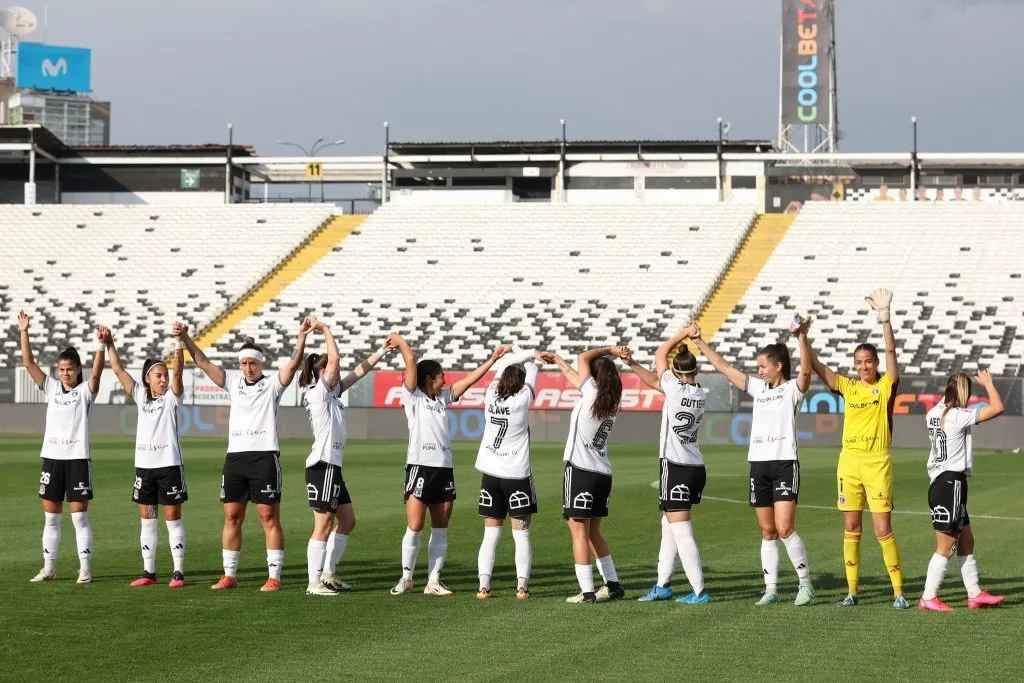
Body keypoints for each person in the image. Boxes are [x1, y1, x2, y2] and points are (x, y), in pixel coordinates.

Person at [177, 318, 312, 591]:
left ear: (260, 364)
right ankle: (229, 575)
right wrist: (186, 338)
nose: (248, 368)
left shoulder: (273, 384)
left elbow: (294, 364)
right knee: (232, 517)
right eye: (244, 363)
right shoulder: (232, 383)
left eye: (252, 363)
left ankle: (274, 577)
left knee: (268, 517)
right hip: (236, 458)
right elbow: (202, 362)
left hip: (264, 457)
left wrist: (301, 337)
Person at [691, 320, 815, 605]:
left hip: (784, 463)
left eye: (762, 366)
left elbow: (806, 370)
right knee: (767, 531)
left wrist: (802, 338)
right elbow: (724, 367)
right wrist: (700, 343)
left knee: (785, 527)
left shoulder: (793, 390)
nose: (759, 371)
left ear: (778, 366)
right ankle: (770, 589)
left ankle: (805, 584)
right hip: (758, 466)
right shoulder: (759, 389)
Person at [800, 288, 909, 608]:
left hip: (877, 463)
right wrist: (803, 338)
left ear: (875, 364)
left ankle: (899, 591)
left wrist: (885, 319)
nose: (864, 366)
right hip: (849, 462)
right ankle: (852, 591)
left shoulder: (887, 385)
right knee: (851, 525)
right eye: (859, 362)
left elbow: (891, 351)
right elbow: (817, 367)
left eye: (868, 361)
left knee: (882, 528)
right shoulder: (847, 387)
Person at [389, 335, 509, 597]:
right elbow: (410, 360)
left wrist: (492, 359)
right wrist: (399, 341)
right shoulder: (412, 397)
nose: (445, 380)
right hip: (420, 467)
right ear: (428, 379)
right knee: (416, 525)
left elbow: (470, 381)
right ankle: (407, 577)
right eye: (441, 375)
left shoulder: (442, 397)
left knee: (441, 526)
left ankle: (433, 580)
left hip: (444, 469)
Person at [299, 318, 395, 596]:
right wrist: (324, 329)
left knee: (348, 520)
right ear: (321, 373)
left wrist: (381, 351)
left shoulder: (331, 393)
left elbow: (358, 372)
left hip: (332, 467)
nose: (337, 372)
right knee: (323, 523)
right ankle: (313, 582)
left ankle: (328, 573)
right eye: (330, 369)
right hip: (323, 464)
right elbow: (337, 359)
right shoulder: (318, 393)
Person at [623, 325, 709, 604]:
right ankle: (663, 584)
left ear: (675, 371)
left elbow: (661, 353)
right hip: (694, 465)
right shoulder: (699, 392)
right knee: (668, 525)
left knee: (681, 529)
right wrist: (633, 364)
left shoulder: (672, 387)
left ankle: (699, 591)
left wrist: (683, 334)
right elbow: (655, 379)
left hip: (676, 465)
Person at [20, 310, 105, 584]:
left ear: (78, 369)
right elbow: (29, 362)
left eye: (70, 369)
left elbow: (98, 373)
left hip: (77, 459)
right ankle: (49, 568)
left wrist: (101, 346)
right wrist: (24, 331)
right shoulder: (52, 388)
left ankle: (85, 569)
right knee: (51, 518)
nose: (65, 374)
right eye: (62, 369)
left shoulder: (85, 392)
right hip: (53, 459)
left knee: (79, 518)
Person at [101, 325, 188, 588]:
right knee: (148, 519)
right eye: (159, 376)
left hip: (169, 466)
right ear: (147, 379)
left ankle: (178, 572)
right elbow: (117, 369)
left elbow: (179, 370)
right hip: (145, 469)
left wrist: (179, 342)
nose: (164, 379)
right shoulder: (140, 395)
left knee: (173, 519)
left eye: (165, 375)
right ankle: (149, 572)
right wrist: (108, 344)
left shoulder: (172, 396)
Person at [545, 345, 630, 605]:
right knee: (594, 533)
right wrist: (558, 360)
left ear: (594, 378)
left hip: (580, 471)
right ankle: (613, 584)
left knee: (579, 533)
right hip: (602, 473)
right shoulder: (610, 400)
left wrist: (610, 350)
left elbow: (583, 358)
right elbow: (577, 374)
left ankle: (587, 591)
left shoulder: (592, 393)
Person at [919, 370, 1006, 611]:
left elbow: (943, 410)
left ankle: (975, 593)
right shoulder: (958, 415)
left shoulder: (933, 413)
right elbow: (998, 407)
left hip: (940, 482)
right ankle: (928, 596)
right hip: (950, 483)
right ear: (963, 393)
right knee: (946, 545)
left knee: (966, 539)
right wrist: (988, 383)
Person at [474, 345, 544, 601]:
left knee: (490, 534)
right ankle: (522, 587)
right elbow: (533, 371)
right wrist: (535, 357)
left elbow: (502, 366)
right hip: (517, 475)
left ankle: (484, 586)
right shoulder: (523, 399)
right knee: (521, 533)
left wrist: (517, 350)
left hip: (490, 474)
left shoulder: (490, 395)